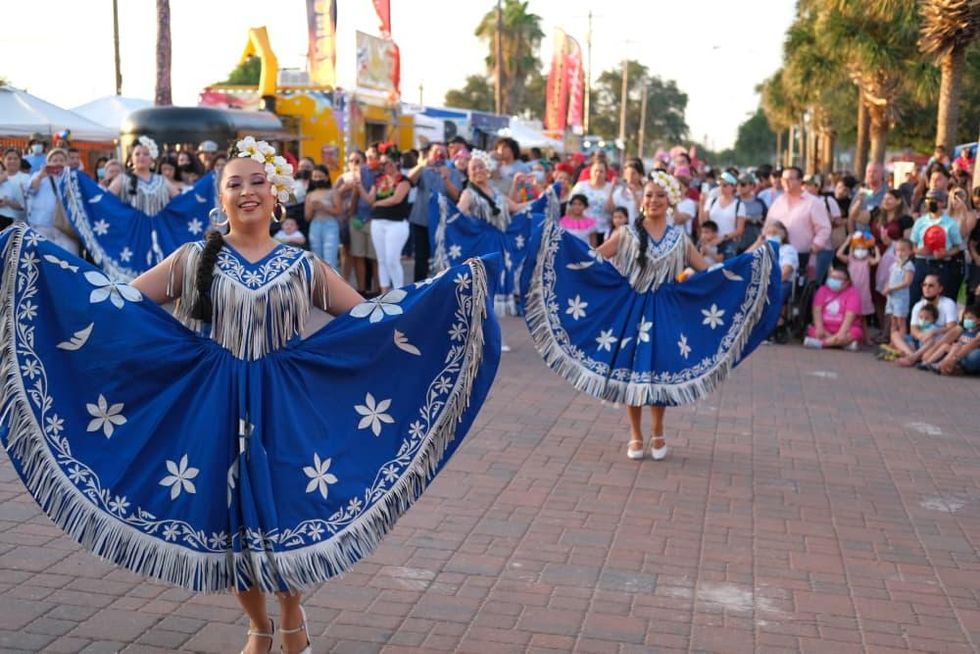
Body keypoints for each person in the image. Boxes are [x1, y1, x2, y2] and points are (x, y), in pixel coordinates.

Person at [0, 136, 501, 654]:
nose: (246, 192)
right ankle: (258, 625)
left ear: (276, 193)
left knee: (286, 511)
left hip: (286, 407)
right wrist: (36, 264)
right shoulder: (193, 257)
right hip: (214, 406)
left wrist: (450, 291)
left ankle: (291, 610)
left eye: (257, 181)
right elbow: (117, 304)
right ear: (220, 198)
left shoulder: (303, 266)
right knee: (232, 524)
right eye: (234, 184)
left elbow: (374, 320)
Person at [520, 172, 781, 461]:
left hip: (666, 312)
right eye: (649, 195)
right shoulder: (626, 234)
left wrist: (750, 263)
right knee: (633, 373)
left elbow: (709, 273)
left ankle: (658, 429)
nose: (653, 200)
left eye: (660, 196)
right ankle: (635, 434)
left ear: (670, 201)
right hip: (630, 310)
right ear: (642, 200)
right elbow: (591, 259)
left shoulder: (679, 239)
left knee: (659, 371)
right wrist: (556, 241)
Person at [358, 146, 412, 294]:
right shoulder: (379, 180)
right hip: (378, 222)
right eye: (381, 164)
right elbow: (370, 199)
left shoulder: (404, 180)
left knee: (392, 260)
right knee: (381, 259)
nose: (383, 166)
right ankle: (384, 292)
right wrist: (359, 186)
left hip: (396, 223)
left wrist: (378, 203)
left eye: (386, 163)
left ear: (395, 163)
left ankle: (399, 292)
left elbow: (397, 199)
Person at [767, 166, 832, 284]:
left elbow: (824, 228)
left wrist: (815, 246)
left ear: (800, 181)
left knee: (803, 289)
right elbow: (768, 226)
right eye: (783, 179)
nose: (786, 182)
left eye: (790, 179)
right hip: (779, 256)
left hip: (804, 257)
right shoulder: (778, 202)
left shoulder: (813, 202)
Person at [407, 142, 461, 283]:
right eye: (436, 151)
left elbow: (457, 196)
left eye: (443, 151)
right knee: (421, 258)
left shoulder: (454, 172)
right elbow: (408, 181)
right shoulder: (423, 170)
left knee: (443, 257)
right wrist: (421, 165)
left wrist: (446, 178)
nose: (439, 154)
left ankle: (441, 287)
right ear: (429, 153)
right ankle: (419, 288)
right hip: (421, 221)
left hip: (444, 223)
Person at [908, 189, 964, 308]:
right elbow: (913, 245)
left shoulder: (950, 223)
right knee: (914, 297)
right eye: (928, 199)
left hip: (941, 264)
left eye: (935, 200)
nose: (931, 202)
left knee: (942, 299)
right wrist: (918, 251)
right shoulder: (920, 222)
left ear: (942, 203)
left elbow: (958, 247)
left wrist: (946, 253)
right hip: (922, 263)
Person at [890, 273, 960, 364]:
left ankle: (913, 356)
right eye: (924, 285)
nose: (926, 288)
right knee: (895, 335)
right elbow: (913, 329)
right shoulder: (918, 305)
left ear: (940, 289)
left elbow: (952, 328)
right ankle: (912, 355)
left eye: (931, 286)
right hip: (921, 340)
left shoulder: (948, 303)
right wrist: (921, 336)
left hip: (937, 342)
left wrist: (934, 332)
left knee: (926, 355)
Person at [25, 148, 80, 255]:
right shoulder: (38, 175)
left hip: (65, 225)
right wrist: (41, 176)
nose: (58, 162)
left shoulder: (71, 177)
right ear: (48, 162)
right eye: (54, 160)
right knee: (43, 255)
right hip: (42, 224)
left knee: (67, 256)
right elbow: (31, 189)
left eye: (61, 160)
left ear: (66, 163)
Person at [108, 136, 180, 214]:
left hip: (158, 221)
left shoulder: (162, 180)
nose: (141, 157)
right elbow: (106, 200)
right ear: (132, 158)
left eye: (146, 154)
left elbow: (181, 200)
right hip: (132, 221)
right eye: (137, 154)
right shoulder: (122, 179)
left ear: (152, 158)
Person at [804, 267, 864, 350]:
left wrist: (841, 333)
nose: (833, 280)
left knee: (855, 333)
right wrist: (820, 327)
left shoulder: (853, 292)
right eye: (832, 277)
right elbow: (817, 310)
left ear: (847, 282)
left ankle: (821, 344)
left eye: (837, 278)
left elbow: (850, 315)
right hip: (824, 328)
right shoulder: (822, 290)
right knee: (813, 330)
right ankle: (842, 344)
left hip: (846, 328)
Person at [836, 232, 880, 331]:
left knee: (862, 317)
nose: (861, 251)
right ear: (853, 249)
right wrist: (847, 242)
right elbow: (839, 254)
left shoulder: (868, 260)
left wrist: (874, 247)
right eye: (858, 248)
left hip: (863, 293)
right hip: (850, 291)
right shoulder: (851, 259)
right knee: (848, 314)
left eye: (863, 248)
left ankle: (866, 337)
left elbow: (877, 260)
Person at [304, 165, 344, 269]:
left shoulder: (333, 192)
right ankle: (320, 279)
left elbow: (339, 211)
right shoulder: (310, 195)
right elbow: (307, 217)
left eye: (320, 176)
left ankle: (331, 279)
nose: (317, 179)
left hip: (330, 225)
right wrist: (312, 208)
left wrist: (324, 207)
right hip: (315, 225)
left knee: (330, 257)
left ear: (326, 178)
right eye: (315, 177)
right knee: (317, 258)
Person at [570, 159, 614, 247]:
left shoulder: (611, 188)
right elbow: (570, 206)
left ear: (606, 174)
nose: (598, 173)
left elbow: (614, 209)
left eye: (601, 171)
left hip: (604, 230)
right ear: (590, 172)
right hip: (584, 231)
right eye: (595, 170)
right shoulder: (581, 186)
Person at [703, 171, 745, 260]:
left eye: (725, 185)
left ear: (733, 186)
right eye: (720, 184)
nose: (721, 188)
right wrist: (701, 203)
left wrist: (722, 238)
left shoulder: (739, 205)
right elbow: (704, 223)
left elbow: (739, 230)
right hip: (711, 243)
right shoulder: (711, 201)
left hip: (728, 246)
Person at [882, 238, 915, 341]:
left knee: (901, 321)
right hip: (891, 297)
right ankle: (893, 341)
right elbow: (890, 279)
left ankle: (901, 341)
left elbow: (907, 282)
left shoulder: (908, 266)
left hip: (901, 298)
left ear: (910, 251)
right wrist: (886, 288)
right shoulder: (894, 265)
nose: (900, 253)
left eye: (903, 250)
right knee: (893, 320)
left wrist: (891, 288)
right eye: (897, 250)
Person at [935, 304, 980, 375]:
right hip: (960, 352)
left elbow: (976, 342)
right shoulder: (966, 330)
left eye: (970, 318)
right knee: (948, 346)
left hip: (968, 352)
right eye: (965, 318)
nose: (966, 320)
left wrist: (955, 358)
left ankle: (951, 366)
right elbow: (954, 336)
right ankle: (936, 364)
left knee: (975, 356)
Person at [736, 173, 767, 252]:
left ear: (752, 186)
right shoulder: (734, 201)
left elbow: (766, 221)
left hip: (756, 244)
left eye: (743, 184)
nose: (739, 187)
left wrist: (757, 221)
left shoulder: (759, 202)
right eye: (737, 184)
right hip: (736, 245)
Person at [607, 158, 644, 223]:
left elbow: (642, 211)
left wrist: (634, 194)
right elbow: (610, 210)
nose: (630, 177)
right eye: (627, 173)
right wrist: (612, 188)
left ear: (640, 175)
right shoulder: (619, 192)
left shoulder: (645, 193)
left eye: (633, 173)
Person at [0, 159, 27, 228]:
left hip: (7, 221)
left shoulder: (13, 185)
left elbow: (21, 206)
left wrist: (9, 202)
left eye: (1, 173)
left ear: (5, 172)